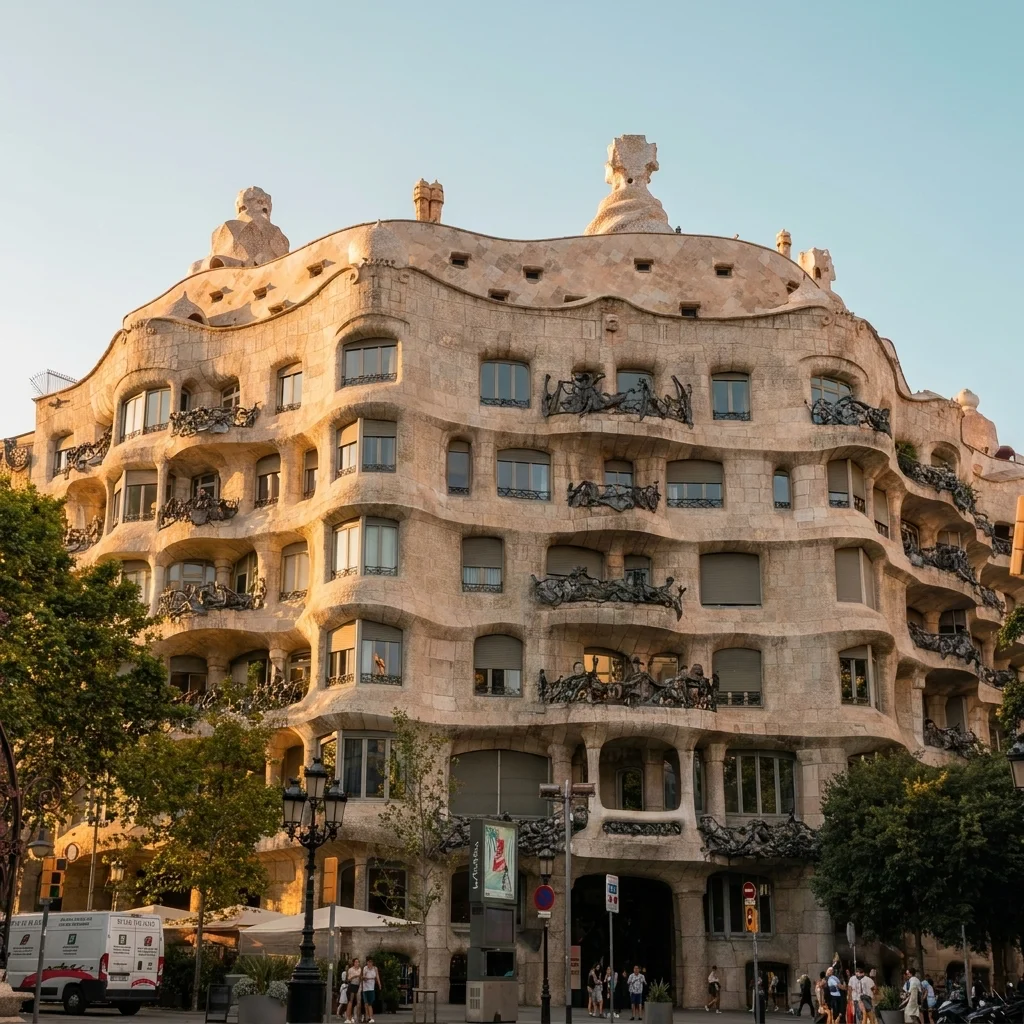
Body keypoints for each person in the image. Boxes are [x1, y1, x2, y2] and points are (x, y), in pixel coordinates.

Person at [361, 956, 380, 1024]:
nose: (370, 963)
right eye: (369, 962)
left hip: (371, 987)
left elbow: (377, 976)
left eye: (371, 962)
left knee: (370, 1003)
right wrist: (365, 977)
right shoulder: (365, 968)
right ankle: (367, 1017)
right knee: (366, 1003)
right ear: (367, 962)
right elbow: (363, 977)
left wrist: (379, 984)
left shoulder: (375, 968)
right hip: (366, 988)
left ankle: (370, 1017)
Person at [343, 957, 362, 1024]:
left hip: (357, 986)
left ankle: (353, 1017)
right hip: (352, 985)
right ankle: (348, 1018)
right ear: (353, 963)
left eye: (358, 962)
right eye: (356, 962)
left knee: (356, 1002)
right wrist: (355, 976)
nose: (357, 963)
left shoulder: (360, 969)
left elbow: (360, 979)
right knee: (350, 1001)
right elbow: (348, 979)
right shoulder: (351, 970)